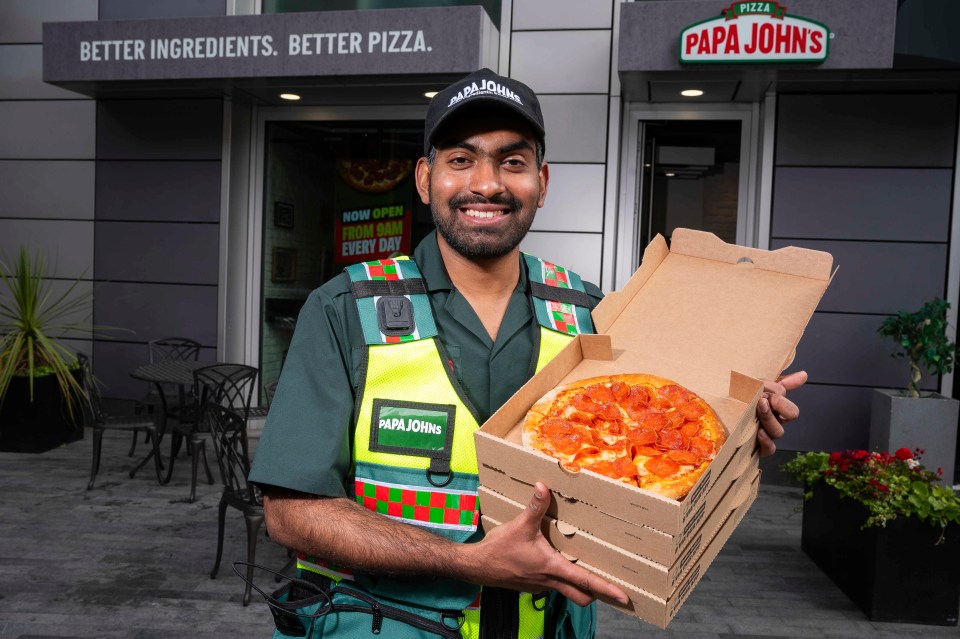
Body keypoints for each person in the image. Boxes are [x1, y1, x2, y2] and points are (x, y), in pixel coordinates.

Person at [248, 68, 806, 639]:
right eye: (461, 160)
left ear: (542, 181)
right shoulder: (346, 309)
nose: (487, 184)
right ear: (424, 178)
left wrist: (736, 428)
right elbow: (292, 510)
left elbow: (659, 449)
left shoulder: (596, 312)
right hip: (382, 625)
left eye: (512, 162)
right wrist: (468, 563)